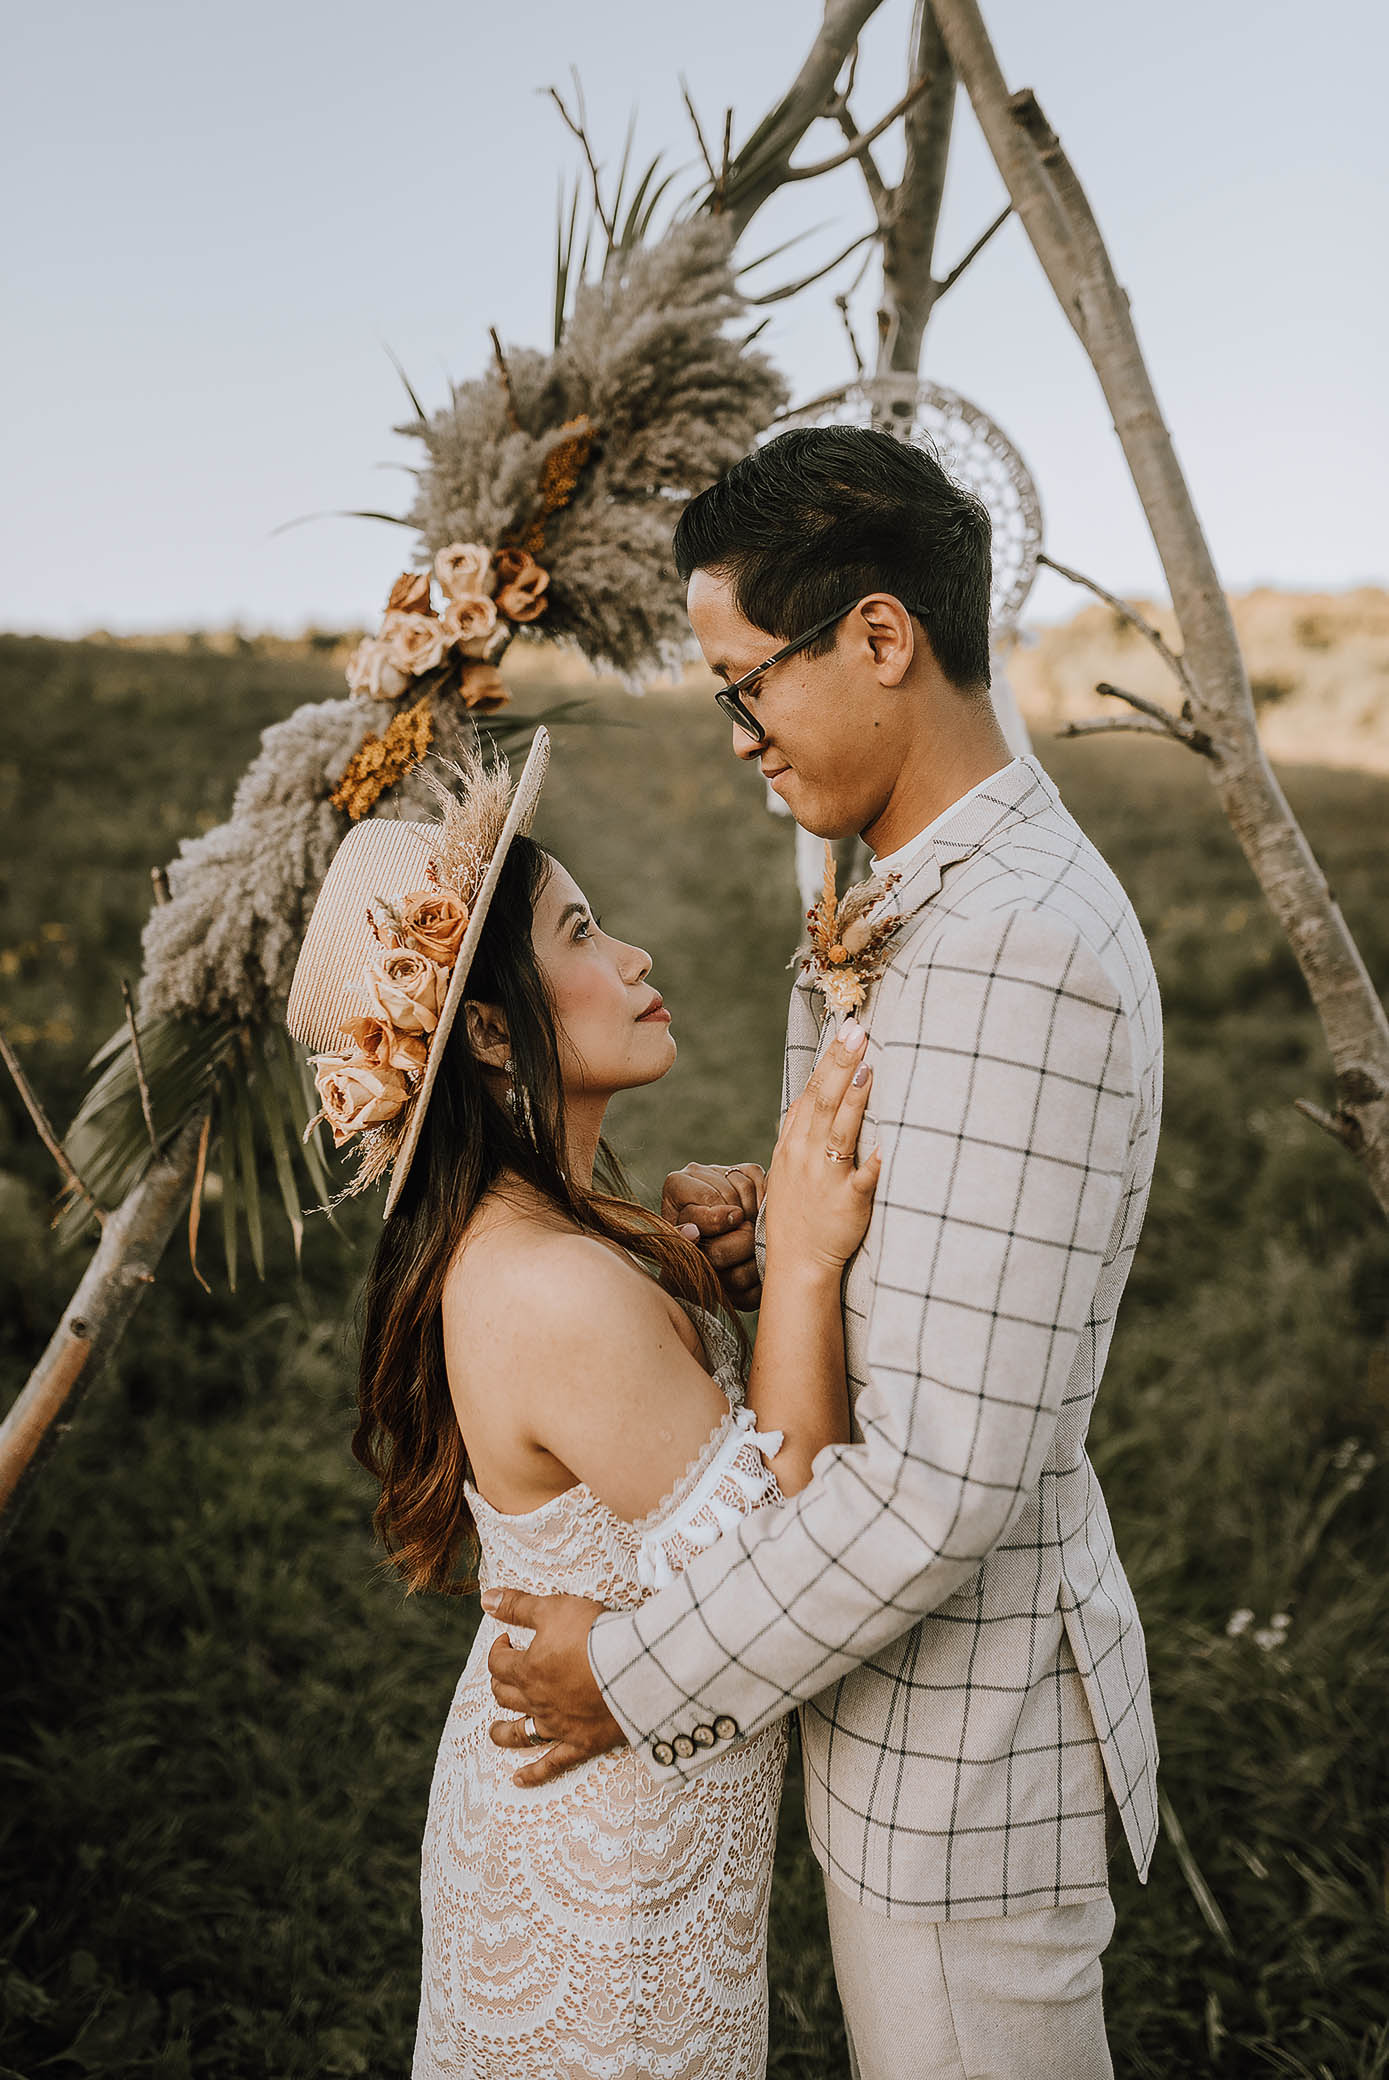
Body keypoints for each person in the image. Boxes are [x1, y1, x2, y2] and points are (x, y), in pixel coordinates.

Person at [482, 427, 1164, 2080]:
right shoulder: (930, 892)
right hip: (889, 1702)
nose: (734, 739)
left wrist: (627, 1678)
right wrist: (784, 1230)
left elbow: (942, 1480)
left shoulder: (1016, 950)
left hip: (963, 1762)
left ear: (877, 637)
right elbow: (952, 1253)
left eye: (744, 686)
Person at [282, 729, 883, 2078]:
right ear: (489, 1026)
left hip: (629, 1805)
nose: (635, 961)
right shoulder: (550, 1287)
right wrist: (801, 1258)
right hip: (605, 1870)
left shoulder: (561, 1232)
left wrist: (742, 1275)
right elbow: (790, 1567)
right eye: (582, 932)